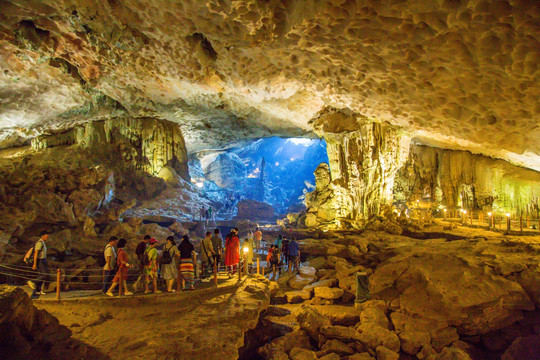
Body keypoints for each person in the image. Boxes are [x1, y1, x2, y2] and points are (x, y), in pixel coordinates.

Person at [27, 232, 49, 299]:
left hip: (43, 260)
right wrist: (34, 264)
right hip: (41, 261)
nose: (47, 237)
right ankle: (32, 281)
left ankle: (38, 290)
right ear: (42, 236)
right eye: (46, 235)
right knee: (45, 275)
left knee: (42, 275)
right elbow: (36, 253)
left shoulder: (43, 243)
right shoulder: (39, 243)